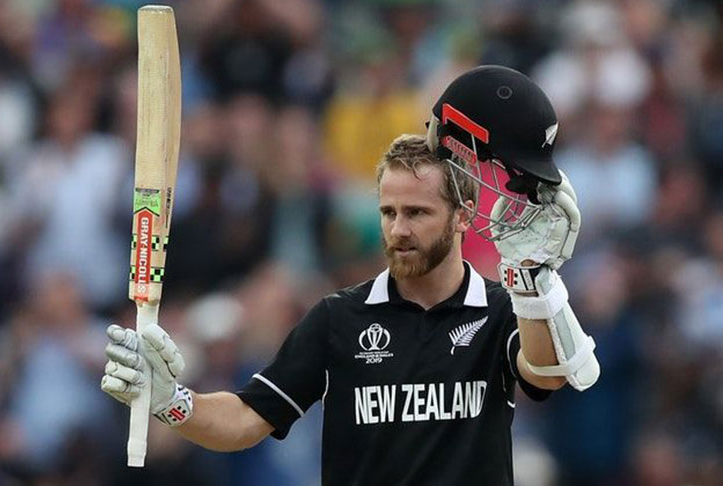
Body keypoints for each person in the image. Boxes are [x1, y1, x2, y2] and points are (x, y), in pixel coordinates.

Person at [101, 65, 600, 485]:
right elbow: (245, 420)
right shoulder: (338, 318)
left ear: (463, 215)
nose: (399, 230)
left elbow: (546, 373)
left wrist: (533, 280)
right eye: (389, 212)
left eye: (418, 213)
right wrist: (172, 401)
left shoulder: (497, 309)